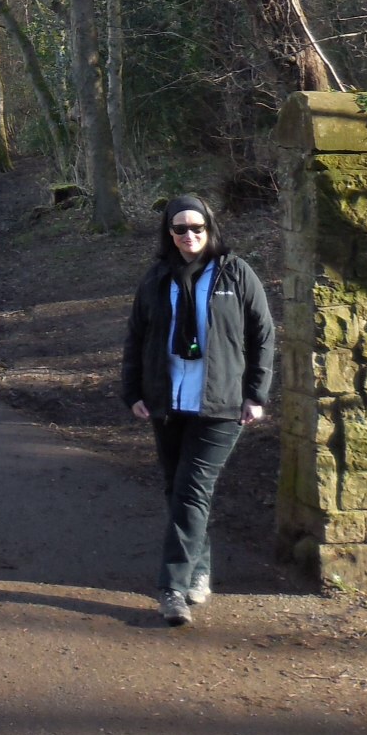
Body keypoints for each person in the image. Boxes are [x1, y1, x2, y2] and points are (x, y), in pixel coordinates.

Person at [119, 194, 276, 625]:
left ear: (210, 228)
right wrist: (132, 391)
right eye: (180, 229)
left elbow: (262, 335)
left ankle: (172, 587)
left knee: (191, 490)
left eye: (197, 227)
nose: (189, 235)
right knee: (179, 490)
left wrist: (256, 394)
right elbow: (136, 337)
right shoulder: (157, 279)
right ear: (168, 233)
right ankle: (198, 570)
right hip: (168, 402)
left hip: (222, 403)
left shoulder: (235, 273)